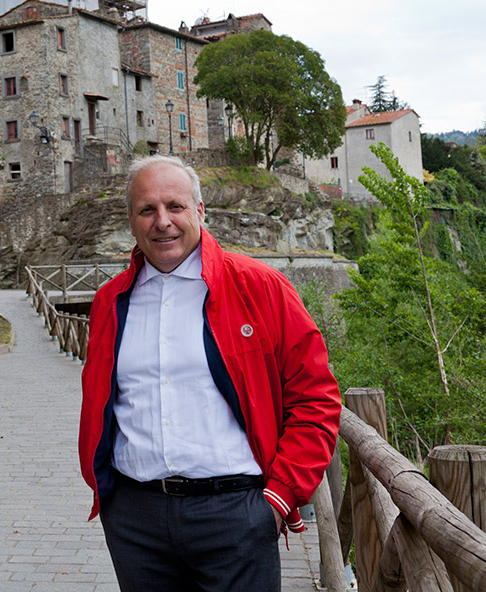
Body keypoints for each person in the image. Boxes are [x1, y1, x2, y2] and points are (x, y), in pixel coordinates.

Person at [78, 155, 342, 591]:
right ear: (131, 220)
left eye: (175, 207)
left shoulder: (260, 287)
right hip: (135, 520)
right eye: (147, 210)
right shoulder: (110, 302)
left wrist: (279, 497)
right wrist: (109, 496)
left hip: (237, 515)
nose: (162, 221)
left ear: (200, 211)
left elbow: (316, 398)